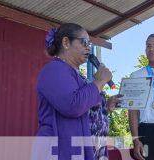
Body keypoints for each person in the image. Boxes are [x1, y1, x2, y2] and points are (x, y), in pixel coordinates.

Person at [35, 23, 122, 160]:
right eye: (84, 42)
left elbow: (85, 109)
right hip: (61, 151)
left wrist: (106, 107)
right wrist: (99, 82)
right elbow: (73, 106)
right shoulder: (54, 70)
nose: (89, 47)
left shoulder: (79, 76)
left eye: (90, 43)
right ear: (66, 42)